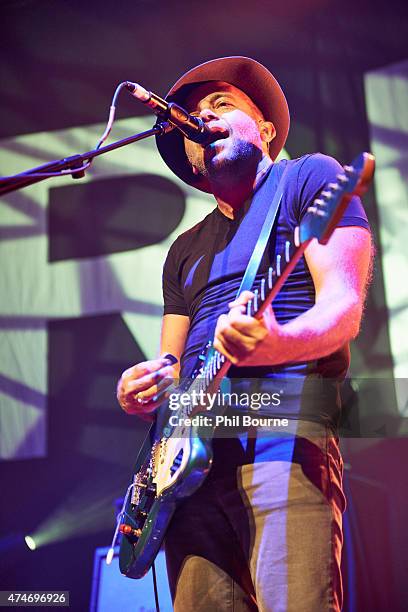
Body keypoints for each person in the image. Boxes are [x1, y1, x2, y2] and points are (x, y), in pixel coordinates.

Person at [117, 56, 372, 611]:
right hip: (188, 471)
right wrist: (144, 390)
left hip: (282, 434)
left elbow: (343, 305)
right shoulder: (182, 250)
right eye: (191, 115)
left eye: (222, 104)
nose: (202, 116)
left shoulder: (308, 178)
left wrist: (280, 343)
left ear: (266, 131)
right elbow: (172, 372)